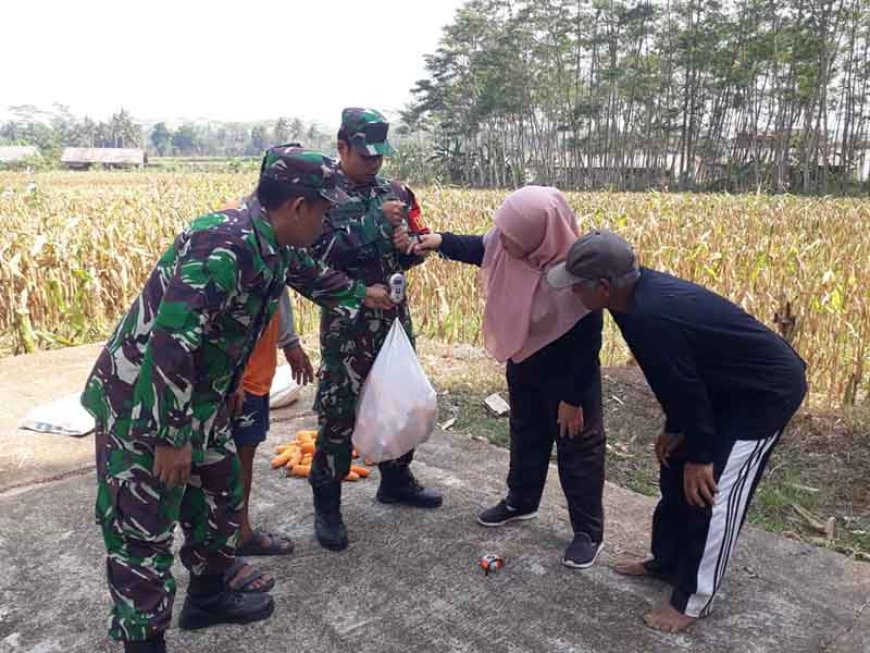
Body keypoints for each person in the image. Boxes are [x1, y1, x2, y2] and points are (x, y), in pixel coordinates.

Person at [82, 146, 394, 653]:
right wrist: (170, 437)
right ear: (297, 207)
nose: (327, 221)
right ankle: (145, 644)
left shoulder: (272, 241)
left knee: (220, 496)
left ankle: (206, 597)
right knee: (144, 532)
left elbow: (313, 276)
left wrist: (366, 296)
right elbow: (171, 343)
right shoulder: (222, 244)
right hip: (144, 406)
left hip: (199, 400)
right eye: (323, 210)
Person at [547, 230, 807, 633]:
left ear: (602, 287)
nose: (572, 294)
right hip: (720, 387)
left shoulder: (651, 314)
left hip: (764, 393)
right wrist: (678, 428)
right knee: (674, 467)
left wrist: (702, 455)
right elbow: (678, 377)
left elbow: (684, 383)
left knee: (713, 489)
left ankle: (693, 599)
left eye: (577, 286)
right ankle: (667, 562)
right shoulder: (627, 299)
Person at [413, 186, 606, 568]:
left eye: (513, 237)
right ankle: (521, 501)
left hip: (570, 373)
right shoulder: (508, 244)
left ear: (542, 235)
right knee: (526, 431)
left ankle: (587, 531)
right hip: (525, 356)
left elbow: (588, 342)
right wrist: (439, 241)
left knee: (577, 449)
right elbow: (482, 247)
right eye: (503, 232)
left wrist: (572, 399)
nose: (504, 242)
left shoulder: (577, 273)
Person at [307, 108, 442, 552]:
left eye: (380, 156)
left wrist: (411, 248)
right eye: (366, 156)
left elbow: (414, 247)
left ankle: (397, 479)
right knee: (339, 411)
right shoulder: (321, 194)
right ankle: (328, 505)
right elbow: (316, 256)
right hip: (348, 324)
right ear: (342, 147)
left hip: (393, 319)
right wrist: (373, 224)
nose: (375, 164)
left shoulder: (397, 192)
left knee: (400, 398)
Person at [222, 290, 314, 592]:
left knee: (245, 451)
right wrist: (230, 375)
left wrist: (289, 341)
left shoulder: (275, 250)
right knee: (225, 460)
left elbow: (278, 290)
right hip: (236, 373)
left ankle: (241, 532)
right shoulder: (237, 246)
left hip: (257, 370)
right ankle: (223, 547)